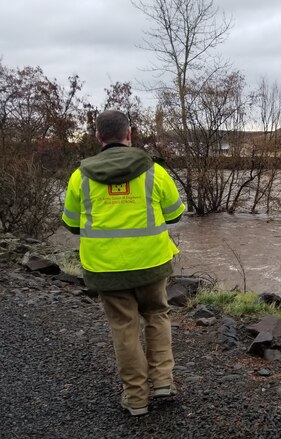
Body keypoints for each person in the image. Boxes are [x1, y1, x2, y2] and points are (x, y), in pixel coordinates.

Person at [61, 110, 186, 416]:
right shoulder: (155, 171)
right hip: (152, 263)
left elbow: (72, 225)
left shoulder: (80, 177)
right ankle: (163, 383)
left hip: (105, 268)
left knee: (123, 327)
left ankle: (136, 399)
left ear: (98, 138)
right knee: (157, 315)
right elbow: (175, 215)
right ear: (129, 135)